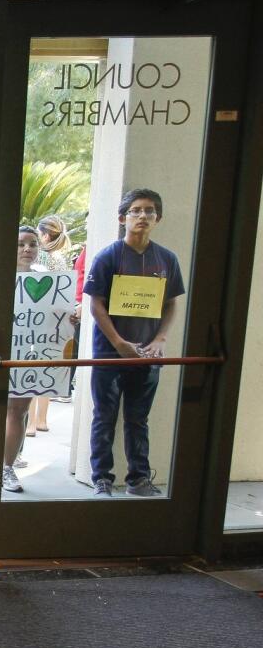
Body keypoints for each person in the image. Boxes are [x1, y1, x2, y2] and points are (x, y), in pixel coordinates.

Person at [84, 188, 185, 497]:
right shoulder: (108, 256)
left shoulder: (166, 259)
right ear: (122, 218)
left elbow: (170, 304)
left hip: (147, 354)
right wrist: (118, 342)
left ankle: (138, 479)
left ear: (158, 218)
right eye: (137, 210)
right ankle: (101, 477)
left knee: (138, 418)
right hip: (109, 352)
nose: (143, 216)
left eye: (150, 211)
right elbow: (96, 304)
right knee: (105, 415)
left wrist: (160, 339)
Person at [2, 226, 47, 494]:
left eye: (32, 244)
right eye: (20, 244)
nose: (27, 249)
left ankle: (6, 468)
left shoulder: (47, 284)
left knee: (17, 411)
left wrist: (69, 316)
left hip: (27, 356)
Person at [29, 215, 76, 435]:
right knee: (46, 368)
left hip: (35, 319)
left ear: (45, 235)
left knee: (29, 368)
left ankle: (29, 423)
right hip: (54, 321)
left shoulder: (40, 259)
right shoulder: (61, 260)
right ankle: (41, 420)